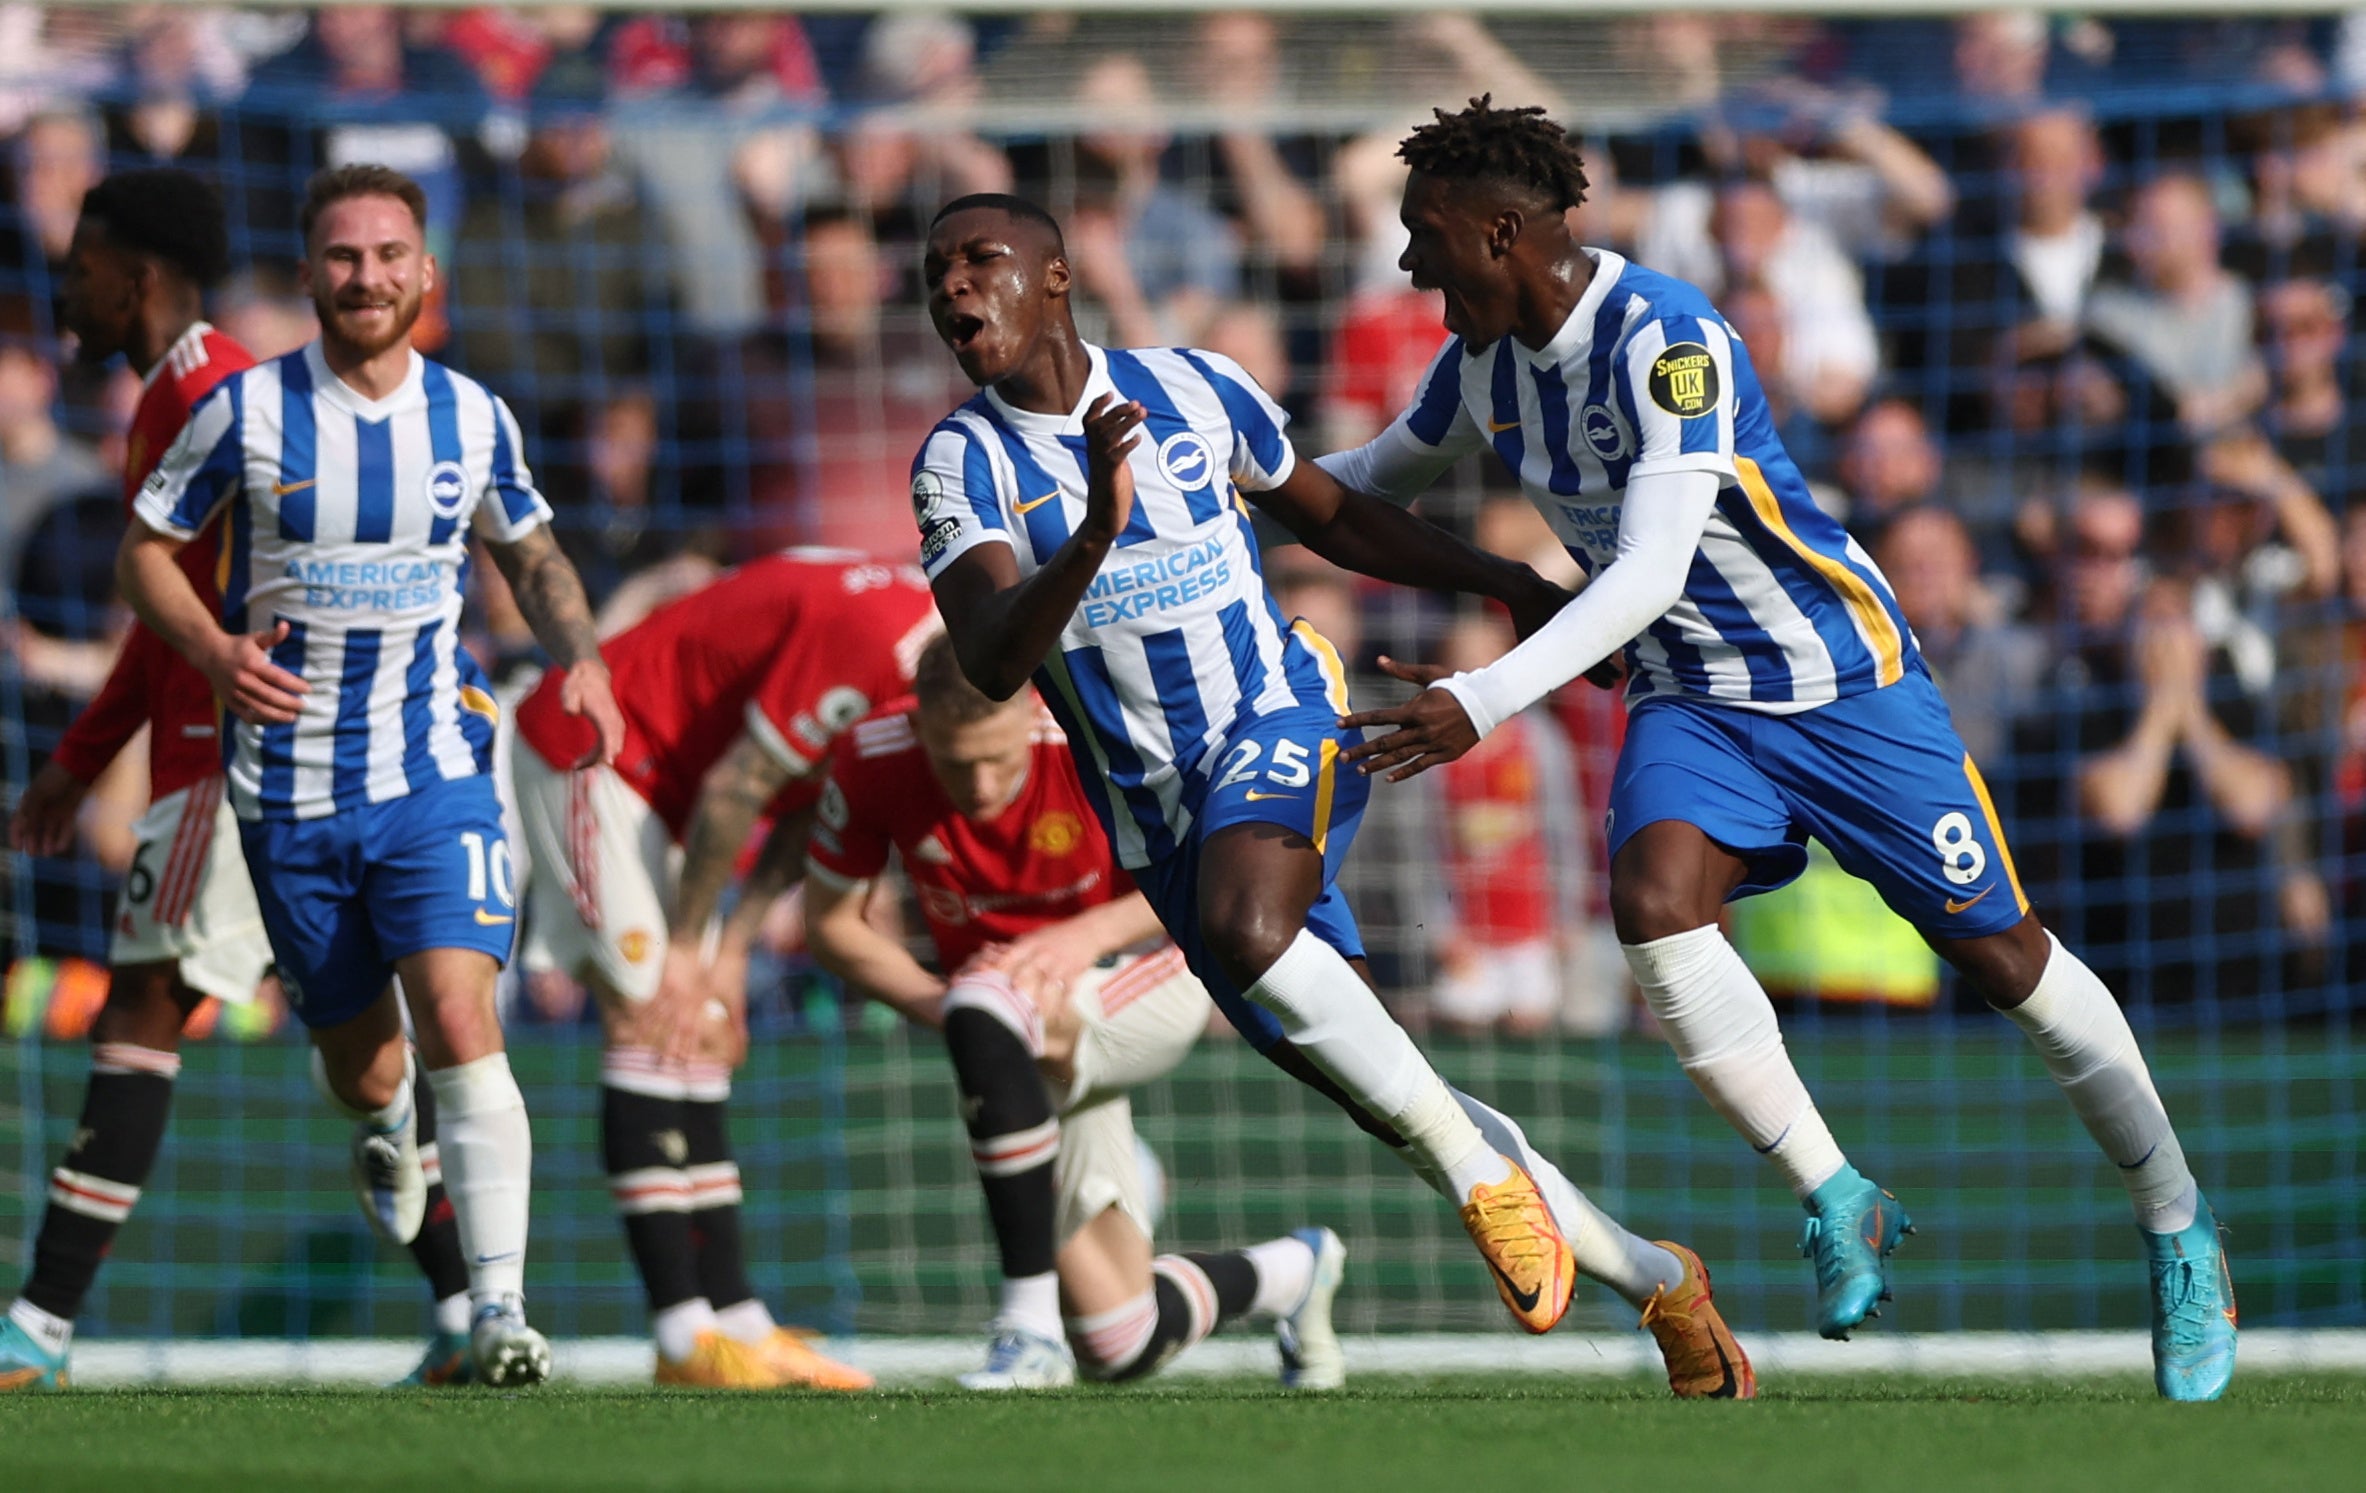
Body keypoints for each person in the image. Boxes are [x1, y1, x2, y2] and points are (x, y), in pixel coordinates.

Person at [1320, 97, 2234, 1401]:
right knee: (1652, 904)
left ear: (1502, 232)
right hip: (1694, 699)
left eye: (1427, 238)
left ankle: (2174, 1221)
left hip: (1840, 681)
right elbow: (1365, 483)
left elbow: (1649, 568)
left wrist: (1485, 695)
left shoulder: (1668, 338)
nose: (1410, 266)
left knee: (2005, 961)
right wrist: (1216, 475)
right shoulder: (1482, 366)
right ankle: (1835, 1191)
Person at [913, 191, 1753, 1400]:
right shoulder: (957, 460)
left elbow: (1337, 515)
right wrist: (1093, 534)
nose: (952, 287)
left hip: (1280, 715)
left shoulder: (1195, 388)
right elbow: (990, 655)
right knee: (1394, 1088)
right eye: (935, 271)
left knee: (1264, 942)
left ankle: (1479, 1177)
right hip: (1163, 823)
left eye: (979, 261)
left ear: (1053, 278)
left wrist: (1508, 578)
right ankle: (1656, 1279)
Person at [111, 164, 627, 1388]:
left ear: (425, 273)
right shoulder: (243, 413)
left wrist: (586, 662)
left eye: (390, 254)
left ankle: (498, 1311)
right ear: (308, 275)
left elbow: (533, 552)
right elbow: (145, 555)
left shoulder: (472, 416)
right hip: (287, 789)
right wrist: (215, 647)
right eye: (344, 257)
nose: (368, 277)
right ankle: (392, 1126)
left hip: (435, 764)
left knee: (460, 1013)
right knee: (369, 1066)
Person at [3, 167, 470, 1391]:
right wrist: (78, 762)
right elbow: (165, 625)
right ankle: (472, 1307)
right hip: (207, 761)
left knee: (144, 1013)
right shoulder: (169, 394)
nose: (67, 287)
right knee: (357, 1063)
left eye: (81, 266)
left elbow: (219, 624)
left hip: (238, 765)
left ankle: (35, 1328)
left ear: (136, 275)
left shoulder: (211, 394)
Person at [805, 636, 1346, 1391]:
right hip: (1016, 1025)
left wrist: (1079, 938)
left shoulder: (1094, 736)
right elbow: (831, 924)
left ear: (1030, 710)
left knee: (989, 1001)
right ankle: (1293, 1269)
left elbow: (1208, 875)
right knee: (1118, 1339)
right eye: (958, 762)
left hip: (1156, 970)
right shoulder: (873, 755)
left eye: (998, 756)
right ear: (918, 723)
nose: (983, 783)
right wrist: (957, 1018)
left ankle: (1027, 1330)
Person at [508, 548, 935, 1390]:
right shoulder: (879, 643)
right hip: (594, 753)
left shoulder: (934, 641)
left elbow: (810, 799)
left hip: (667, 786)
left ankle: (736, 1319)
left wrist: (730, 953)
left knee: (700, 1029)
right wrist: (686, 947)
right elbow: (740, 785)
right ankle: (680, 1335)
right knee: (648, 1012)